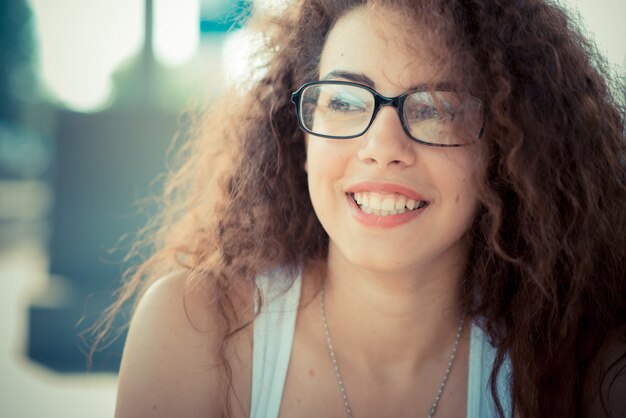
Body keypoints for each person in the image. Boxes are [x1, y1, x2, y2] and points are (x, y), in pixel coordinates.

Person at [98, 0, 625, 417]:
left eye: (437, 108)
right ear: (298, 137)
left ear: (507, 146)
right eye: (346, 101)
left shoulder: (586, 368)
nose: (382, 146)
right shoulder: (195, 329)